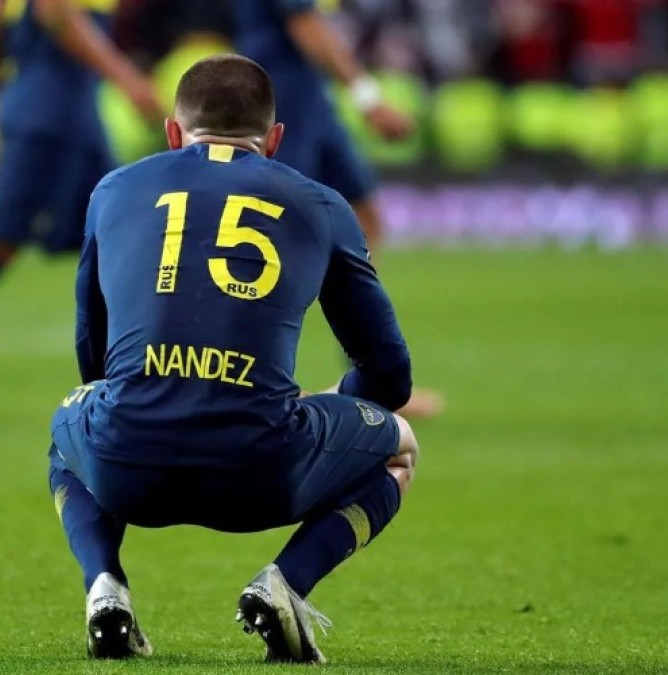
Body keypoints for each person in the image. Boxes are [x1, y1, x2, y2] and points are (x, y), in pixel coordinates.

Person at [48, 54, 420, 662]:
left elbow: (92, 354)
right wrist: (327, 404)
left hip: (129, 467)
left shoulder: (113, 190)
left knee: (69, 430)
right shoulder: (323, 205)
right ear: (274, 140)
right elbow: (391, 376)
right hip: (264, 474)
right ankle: (286, 583)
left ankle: (104, 584)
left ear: (173, 132)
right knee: (401, 447)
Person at [0, 0, 162, 432]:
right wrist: (129, 80)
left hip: (72, 118)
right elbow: (54, 12)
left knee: (124, 241)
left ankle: (135, 391)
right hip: (48, 120)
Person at [232, 0, 441, 417]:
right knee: (269, 236)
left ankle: (371, 380)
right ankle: (243, 375)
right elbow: (305, 25)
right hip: (280, 95)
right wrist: (368, 97)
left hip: (310, 95)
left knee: (364, 218)